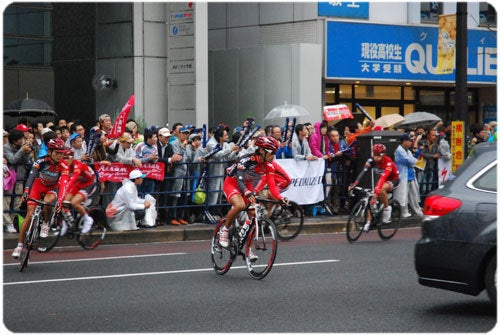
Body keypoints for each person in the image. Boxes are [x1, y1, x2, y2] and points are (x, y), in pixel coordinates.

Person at [218, 136, 288, 250]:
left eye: (275, 152)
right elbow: (240, 179)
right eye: (272, 152)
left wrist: (280, 198)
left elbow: (272, 186)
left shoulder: (269, 166)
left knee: (254, 216)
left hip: (247, 185)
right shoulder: (246, 160)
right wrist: (246, 192)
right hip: (233, 183)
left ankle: (247, 249)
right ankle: (224, 230)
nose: (274, 156)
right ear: (261, 151)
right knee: (240, 205)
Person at [12, 138, 70, 259]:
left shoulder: (64, 165)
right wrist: (26, 191)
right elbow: (32, 175)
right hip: (38, 186)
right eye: (57, 153)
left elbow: (64, 183)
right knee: (30, 214)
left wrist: (60, 201)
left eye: (61, 153)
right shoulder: (41, 160)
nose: (59, 156)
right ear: (50, 152)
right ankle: (19, 245)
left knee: (48, 202)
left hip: (52, 188)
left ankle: (45, 223)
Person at [348, 143, 400, 232]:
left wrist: (377, 192)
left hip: (393, 180)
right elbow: (363, 172)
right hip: (382, 180)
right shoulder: (371, 161)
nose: (375, 158)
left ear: (383, 155)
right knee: (370, 200)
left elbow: (383, 177)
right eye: (374, 155)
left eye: (378, 156)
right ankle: (368, 222)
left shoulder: (388, 163)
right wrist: (355, 183)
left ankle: (387, 209)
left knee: (381, 190)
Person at [59, 149, 96, 235]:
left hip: (89, 184)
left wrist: (65, 190)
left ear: (72, 158)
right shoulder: (64, 165)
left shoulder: (77, 165)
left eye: (67, 158)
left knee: (74, 202)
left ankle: (87, 219)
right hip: (79, 183)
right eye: (63, 158)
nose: (65, 161)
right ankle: (67, 223)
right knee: (63, 202)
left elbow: (72, 179)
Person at [393, 133, 423, 218]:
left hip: (410, 176)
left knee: (413, 195)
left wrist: (414, 160)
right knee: (403, 195)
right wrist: (413, 160)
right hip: (402, 177)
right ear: (404, 141)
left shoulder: (408, 151)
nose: (411, 143)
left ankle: (417, 211)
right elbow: (408, 161)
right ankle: (404, 212)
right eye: (410, 141)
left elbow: (413, 160)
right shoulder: (399, 151)